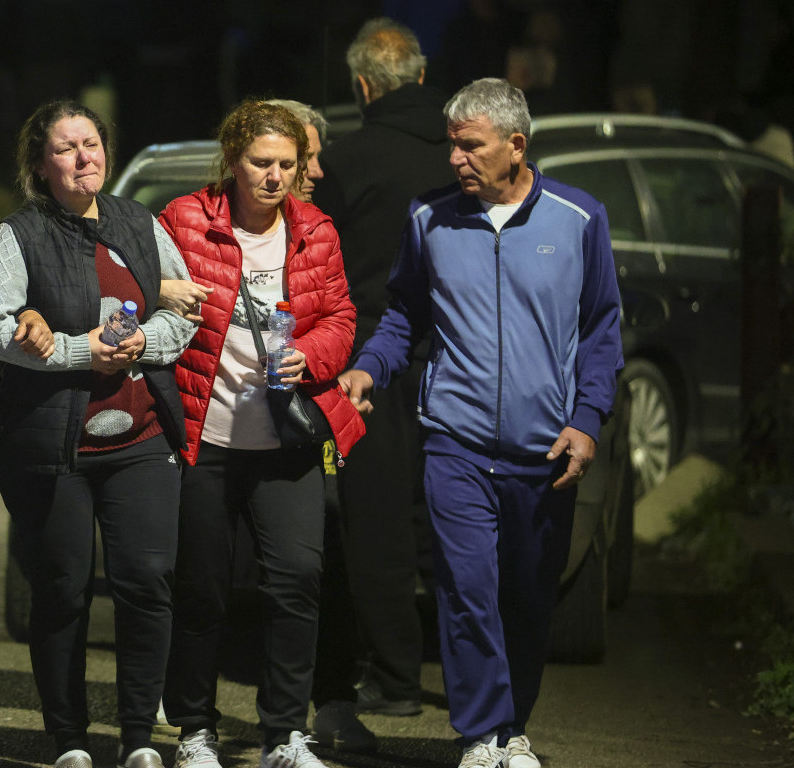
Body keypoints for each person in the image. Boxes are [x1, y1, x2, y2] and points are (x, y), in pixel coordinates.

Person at [341, 78, 623, 768]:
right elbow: (403, 311)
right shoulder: (429, 219)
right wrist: (369, 367)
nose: (455, 159)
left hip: (546, 451)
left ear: (515, 145)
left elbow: (602, 330)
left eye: (471, 146)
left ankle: (512, 727)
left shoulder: (578, 218)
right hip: (456, 441)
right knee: (466, 592)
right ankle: (480, 733)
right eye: (453, 145)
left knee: (526, 599)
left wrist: (587, 421)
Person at [0, 100, 196, 768]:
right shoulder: (19, 235)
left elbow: (182, 315)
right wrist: (75, 352)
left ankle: (137, 739)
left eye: (90, 144)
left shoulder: (139, 224)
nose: (81, 157)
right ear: (41, 164)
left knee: (148, 580)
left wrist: (138, 342)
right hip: (52, 447)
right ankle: (67, 739)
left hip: (141, 441)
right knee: (62, 589)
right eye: (64, 148)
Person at [157, 101, 365, 768]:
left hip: (286, 441)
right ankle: (195, 729)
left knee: (298, 578)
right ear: (231, 160)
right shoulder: (186, 219)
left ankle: (284, 732)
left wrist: (316, 356)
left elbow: (339, 313)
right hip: (205, 436)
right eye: (261, 163)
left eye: (287, 165)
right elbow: (138, 282)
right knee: (200, 589)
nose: (275, 177)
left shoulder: (316, 231)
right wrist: (163, 290)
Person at [311, 16, 453, 723]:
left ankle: (396, 677)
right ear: (422, 78)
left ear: (363, 86)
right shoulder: (469, 154)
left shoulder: (346, 162)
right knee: (461, 522)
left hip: (369, 362)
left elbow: (318, 268)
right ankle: (472, 679)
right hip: (463, 355)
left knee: (377, 521)